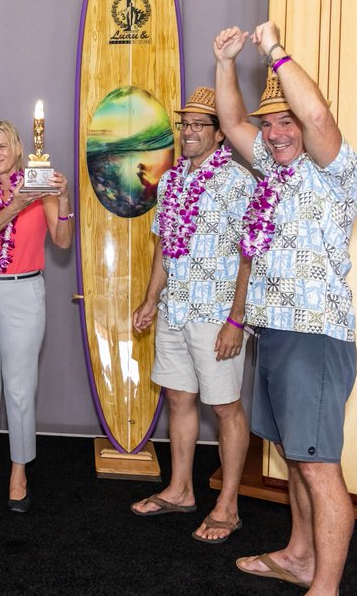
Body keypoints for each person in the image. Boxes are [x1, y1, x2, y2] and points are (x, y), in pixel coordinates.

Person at [214, 23, 357, 594]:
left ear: (306, 128)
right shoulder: (271, 171)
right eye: (270, 123)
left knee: (318, 463)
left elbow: (323, 119)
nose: (276, 133)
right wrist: (227, 61)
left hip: (315, 336)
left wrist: (274, 49)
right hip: (275, 334)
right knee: (294, 455)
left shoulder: (337, 174)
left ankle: (324, 586)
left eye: (288, 122)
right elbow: (231, 123)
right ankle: (301, 554)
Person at [130, 85, 254, 543]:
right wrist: (149, 300)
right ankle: (181, 489)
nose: (189, 132)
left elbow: (250, 254)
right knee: (179, 398)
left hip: (217, 311)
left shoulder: (240, 182)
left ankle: (228, 504)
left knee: (225, 407)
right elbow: (164, 244)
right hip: (175, 309)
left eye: (199, 125)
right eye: (185, 124)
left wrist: (237, 319)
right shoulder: (170, 181)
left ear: (221, 135)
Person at [0, 120, 72, 513]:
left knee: (20, 388)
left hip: (23, 291)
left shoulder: (41, 190)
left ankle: (19, 471)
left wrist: (64, 198)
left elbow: (62, 241)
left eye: (2, 147)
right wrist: (17, 204)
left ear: (18, 148)